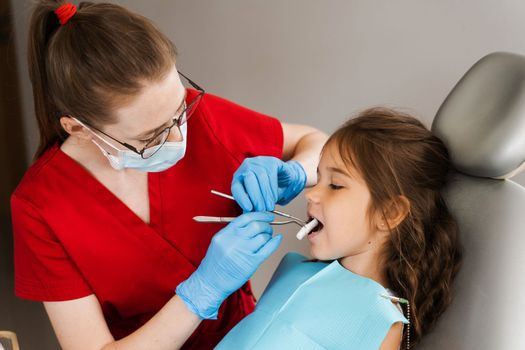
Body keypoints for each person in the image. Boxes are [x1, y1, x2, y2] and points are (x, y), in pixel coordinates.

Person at [11, 1, 327, 349]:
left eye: (180, 112)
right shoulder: (39, 207)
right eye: (151, 137)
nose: (179, 138)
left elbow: (316, 142)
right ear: (80, 129)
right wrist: (202, 291)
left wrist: (296, 170)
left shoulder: (202, 118)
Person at [217, 108, 463, 349]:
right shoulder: (292, 269)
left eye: (335, 185)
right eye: (318, 177)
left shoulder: (379, 321)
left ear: (390, 213)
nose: (311, 194)